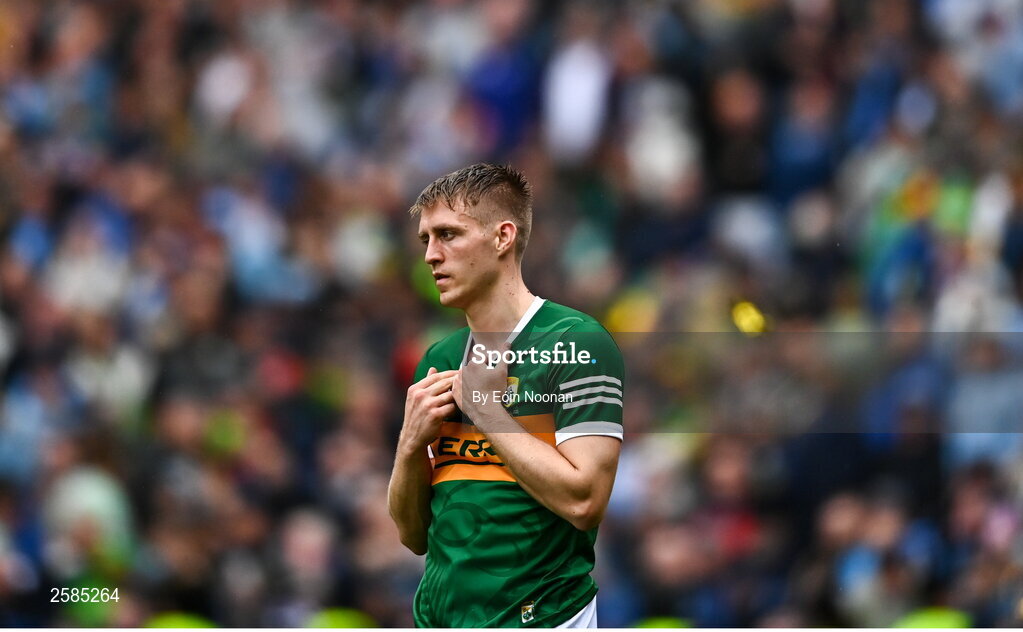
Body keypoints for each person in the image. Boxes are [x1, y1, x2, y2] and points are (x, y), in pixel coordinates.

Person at [387, 163, 624, 628]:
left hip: (542, 618)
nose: (432, 255)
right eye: (426, 240)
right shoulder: (439, 358)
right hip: (440, 619)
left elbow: (586, 501)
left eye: (449, 235)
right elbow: (412, 533)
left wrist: (486, 412)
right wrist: (409, 445)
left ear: (503, 237)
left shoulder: (576, 342)